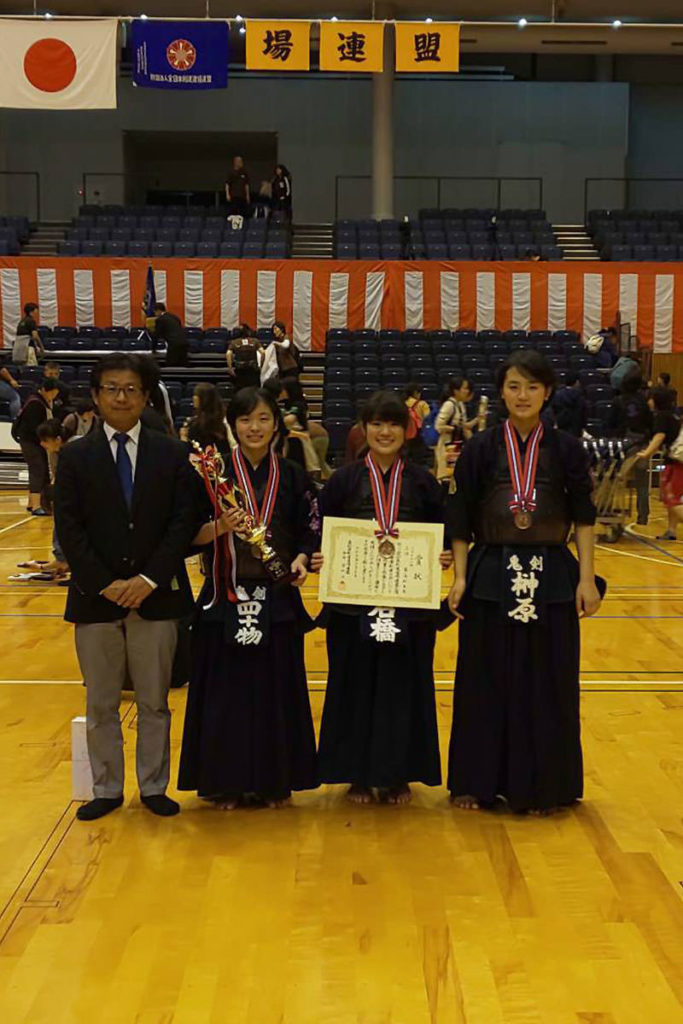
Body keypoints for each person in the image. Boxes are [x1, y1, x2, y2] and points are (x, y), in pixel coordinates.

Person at [446, 350, 602, 815]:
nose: (522, 395)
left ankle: (545, 785)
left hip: (552, 571)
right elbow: (460, 516)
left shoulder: (568, 448)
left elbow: (584, 516)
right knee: (483, 678)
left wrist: (587, 577)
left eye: (532, 387)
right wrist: (458, 577)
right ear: (502, 392)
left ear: (547, 392)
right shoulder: (480, 448)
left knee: (547, 681)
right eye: (514, 386)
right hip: (491, 570)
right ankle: (478, 780)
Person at [54, 353, 197, 822]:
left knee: (155, 700)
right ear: (96, 396)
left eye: (131, 388)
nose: (121, 396)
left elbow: (182, 524)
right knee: (101, 702)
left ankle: (154, 786)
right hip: (96, 600)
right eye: (111, 388)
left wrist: (149, 578)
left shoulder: (173, 453)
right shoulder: (75, 456)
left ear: (145, 396)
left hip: (157, 597)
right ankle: (107, 788)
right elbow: (69, 529)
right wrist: (107, 584)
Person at [178, 386, 319, 809]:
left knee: (276, 693)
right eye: (245, 419)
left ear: (276, 424)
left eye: (262, 419)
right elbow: (186, 536)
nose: (254, 427)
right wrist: (220, 525)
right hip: (224, 597)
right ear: (232, 425)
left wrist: (301, 557)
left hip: (277, 601)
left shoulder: (293, 475)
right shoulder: (211, 476)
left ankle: (274, 782)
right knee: (226, 696)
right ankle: (225, 782)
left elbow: (311, 530)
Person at [313, 390, 449, 806]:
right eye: (376, 424)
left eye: (392, 424)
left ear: (406, 431)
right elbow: (319, 530)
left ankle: (397, 774)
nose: (384, 432)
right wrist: (319, 553)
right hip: (351, 607)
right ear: (364, 429)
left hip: (409, 608)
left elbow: (444, 532)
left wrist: (442, 553)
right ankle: (356, 773)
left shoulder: (424, 483)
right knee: (353, 686)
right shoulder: (343, 481)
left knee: (403, 689)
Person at [635, 387, 682, 540]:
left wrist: (647, 453)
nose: (648, 401)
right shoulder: (673, 415)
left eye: (650, 398)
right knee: (673, 498)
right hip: (676, 460)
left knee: (672, 498)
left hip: (675, 462)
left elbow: (659, 437)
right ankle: (671, 530)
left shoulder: (662, 417)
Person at [606, 374, 653, 525]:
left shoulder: (618, 401)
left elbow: (609, 424)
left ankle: (609, 509)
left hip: (622, 446)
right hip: (641, 446)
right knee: (642, 482)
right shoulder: (643, 403)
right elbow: (650, 423)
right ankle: (643, 515)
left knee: (612, 479)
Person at [12, 377, 60, 515]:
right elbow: (33, 428)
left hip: (35, 442)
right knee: (37, 470)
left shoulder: (40, 401)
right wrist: (44, 441)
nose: (54, 396)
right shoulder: (35, 403)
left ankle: (32, 503)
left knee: (41, 470)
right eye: (52, 393)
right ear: (45, 390)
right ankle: (36, 506)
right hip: (30, 442)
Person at [36, 420, 69, 578]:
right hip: (67, 492)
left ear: (58, 439)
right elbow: (57, 476)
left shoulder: (76, 449)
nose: (42, 444)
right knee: (59, 520)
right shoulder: (54, 454)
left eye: (45, 440)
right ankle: (61, 559)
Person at [434, 377, 472, 484]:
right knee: (446, 478)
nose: (467, 391)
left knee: (456, 478)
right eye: (464, 388)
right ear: (456, 391)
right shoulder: (449, 405)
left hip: (457, 446)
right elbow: (438, 426)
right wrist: (453, 428)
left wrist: (479, 418)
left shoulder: (460, 405)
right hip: (447, 446)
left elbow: (464, 426)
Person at [182, 382, 227, 449]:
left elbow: (188, 450)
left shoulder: (195, 425)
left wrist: (183, 438)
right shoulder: (223, 421)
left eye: (195, 395)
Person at [402, 382, 431, 466]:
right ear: (415, 393)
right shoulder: (422, 404)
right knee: (418, 456)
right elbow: (427, 418)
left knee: (406, 454)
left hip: (405, 431)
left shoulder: (401, 403)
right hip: (418, 432)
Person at [227, 324, 263, 390]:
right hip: (252, 369)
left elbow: (228, 354)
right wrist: (261, 365)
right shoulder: (255, 341)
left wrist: (230, 367)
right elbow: (263, 352)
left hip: (240, 370)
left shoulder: (234, 342)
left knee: (240, 389)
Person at [551, 373, 587, 437]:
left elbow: (553, 411)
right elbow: (582, 414)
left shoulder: (557, 395)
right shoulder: (580, 396)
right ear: (577, 382)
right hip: (576, 430)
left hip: (561, 428)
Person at [153, 303, 188, 368]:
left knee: (170, 366)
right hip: (184, 343)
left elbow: (156, 335)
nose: (154, 314)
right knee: (183, 367)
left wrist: (153, 349)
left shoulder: (160, 320)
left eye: (154, 312)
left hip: (174, 345)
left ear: (158, 310)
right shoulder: (175, 317)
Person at [225, 155, 250, 219]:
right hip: (234, 195)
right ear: (235, 162)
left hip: (242, 196)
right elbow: (227, 184)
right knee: (234, 213)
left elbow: (246, 184)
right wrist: (227, 194)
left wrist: (247, 195)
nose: (241, 163)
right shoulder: (231, 172)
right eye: (239, 161)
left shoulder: (244, 172)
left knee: (242, 213)